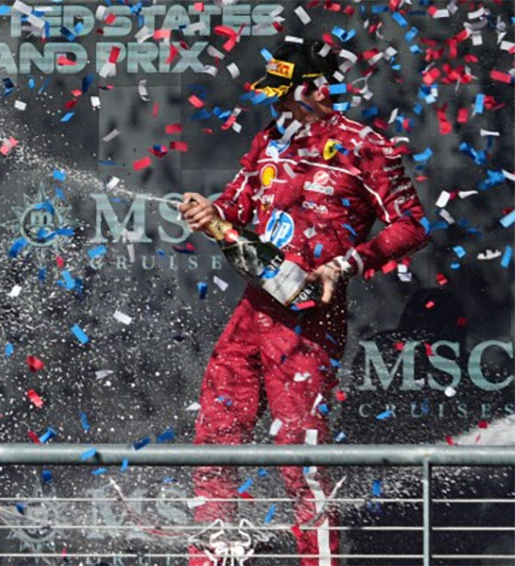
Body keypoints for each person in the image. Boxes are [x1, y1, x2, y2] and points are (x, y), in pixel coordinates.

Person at [179, 39, 430, 566]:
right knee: (216, 432)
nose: (277, 104)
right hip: (255, 306)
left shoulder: (365, 146)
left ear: (317, 90)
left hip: (310, 317)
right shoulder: (269, 139)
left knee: (300, 452)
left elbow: (412, 225)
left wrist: (346, 264)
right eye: (272, 94)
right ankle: (213, 551)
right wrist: (210, 212)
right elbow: (235, 206)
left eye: (285, 93)